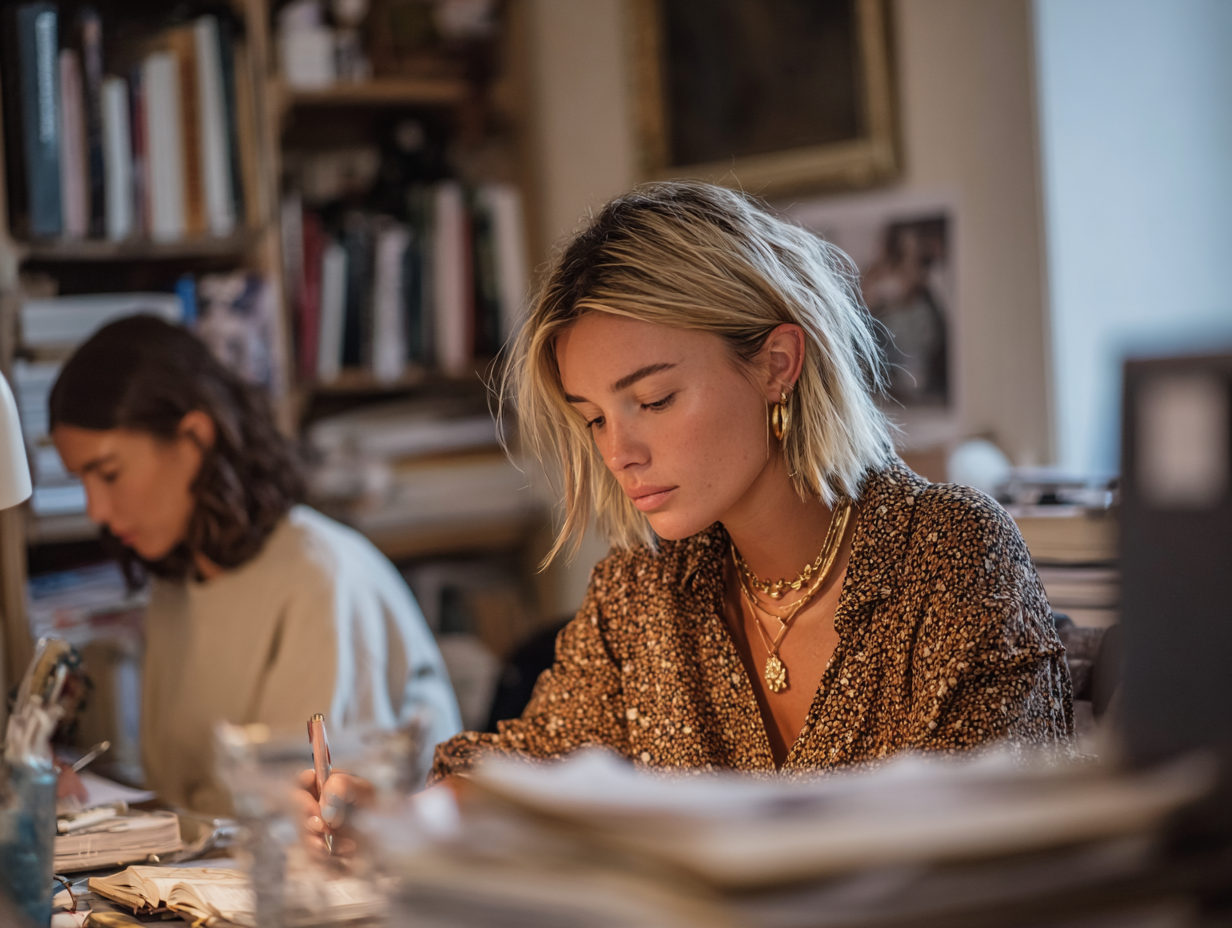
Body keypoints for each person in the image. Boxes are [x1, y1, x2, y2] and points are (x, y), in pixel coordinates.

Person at [300, 181, 1071, 852]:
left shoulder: (949, 552)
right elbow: (523, 776)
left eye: (654, 400)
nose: (620, 451)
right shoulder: (643, 590)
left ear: (777, 365)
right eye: (595, 418)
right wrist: (397, 818)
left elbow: (1014, 849)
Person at [49, 316, 461, 816]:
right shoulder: (176, 588)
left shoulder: (319, 575)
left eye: (109, 474)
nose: (96, 510)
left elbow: (306, 815)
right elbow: (189, 795)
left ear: (194, 438)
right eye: (81, 482)